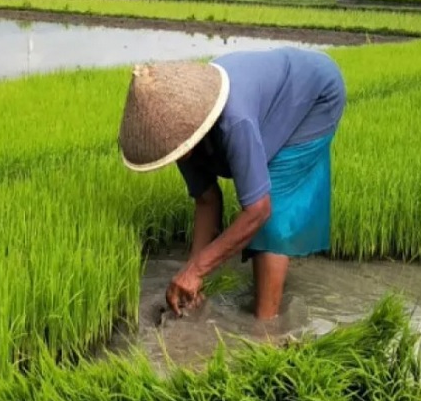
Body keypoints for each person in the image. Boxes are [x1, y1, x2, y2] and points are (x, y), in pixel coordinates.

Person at [117, 47, 346, 321]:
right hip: (267, 96)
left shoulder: (234, 121)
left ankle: (265, 330)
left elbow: (259, 210)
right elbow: (207, 200)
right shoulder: (178, 130)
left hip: (314, 96)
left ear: (191, 127)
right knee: (255, 198)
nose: (176, 157)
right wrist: (192, 271)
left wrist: (197, 270)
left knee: (274, 210)